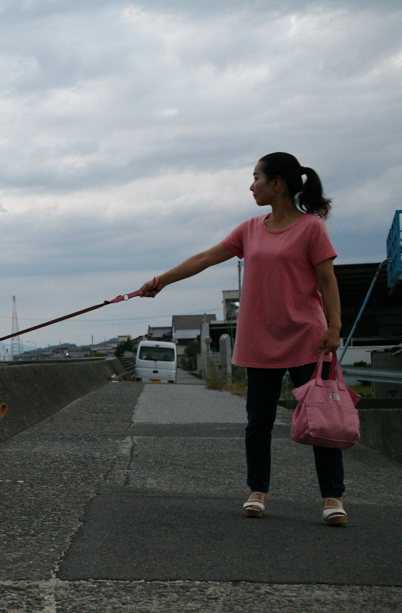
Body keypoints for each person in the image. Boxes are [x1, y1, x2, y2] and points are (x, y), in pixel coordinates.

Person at [139, 152, 347, 526]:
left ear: (277, 183)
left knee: (321, 419)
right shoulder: (250, 229)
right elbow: (205, 258)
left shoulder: (312, 228)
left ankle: (332, 496)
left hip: (307, 339)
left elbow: (327, 280)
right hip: (260, 341)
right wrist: (161, 281)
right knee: (258, 422)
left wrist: (334, 328)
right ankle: (258, 490)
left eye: (256, 178)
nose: (251, 186)